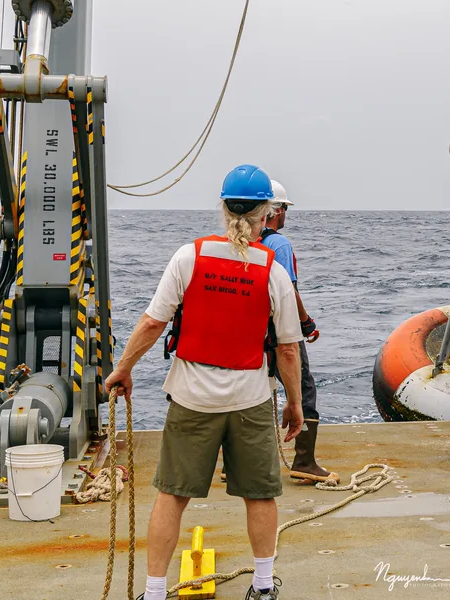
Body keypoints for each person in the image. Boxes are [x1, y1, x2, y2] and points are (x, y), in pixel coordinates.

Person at [105, 164, 304, 600]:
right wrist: (295, 403)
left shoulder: (188, 257)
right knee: (260, 495)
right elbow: (288, 349)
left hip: (191, 397)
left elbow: (152, 323)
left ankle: (154, 592)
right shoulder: (273, 271)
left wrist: (124, 368)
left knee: (172, 496)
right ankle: (263, 588)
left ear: (223, 208)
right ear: (266, 214)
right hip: (250, 398)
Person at [259, 179, 338, 483]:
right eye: (285, 210)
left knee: (254, 392)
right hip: (279, 330)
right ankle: (304, 461)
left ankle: (234, 465)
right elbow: (288, 291)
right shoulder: (279, 244)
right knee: (303, 389)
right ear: (277, 210)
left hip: (250, 330)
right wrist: (306, 322)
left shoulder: (244, 243)